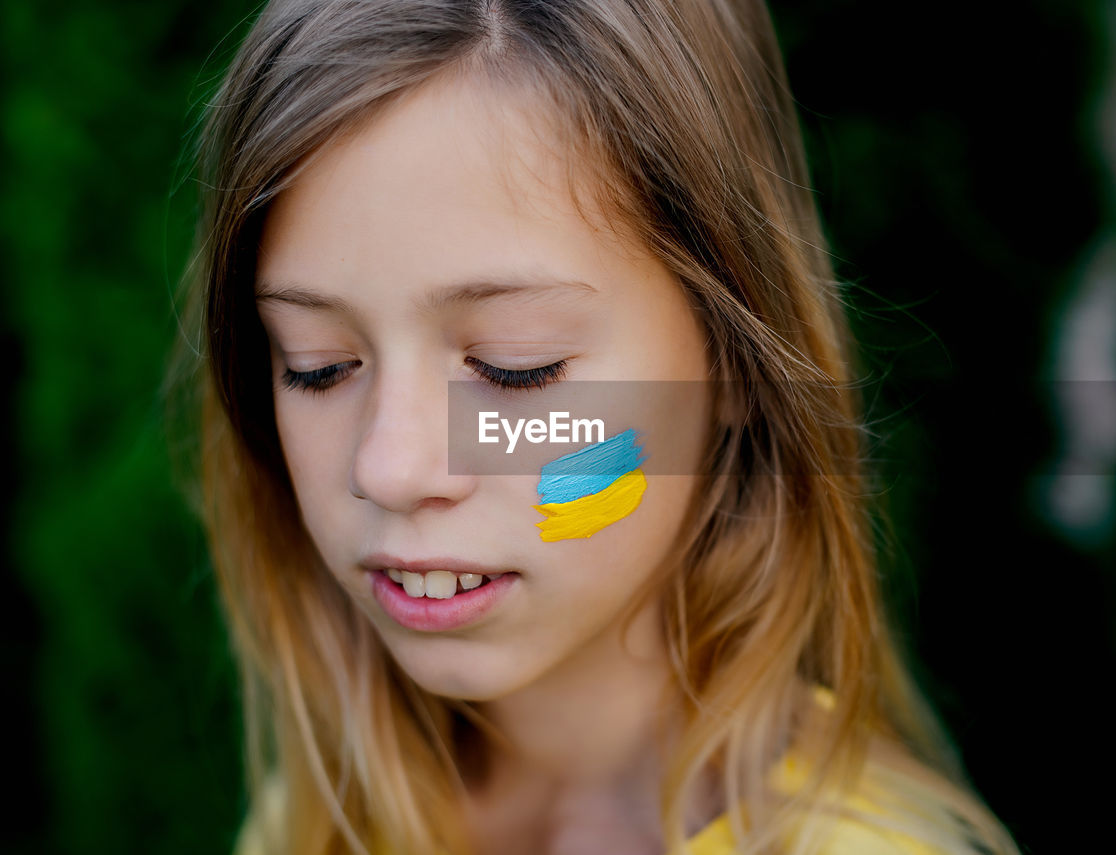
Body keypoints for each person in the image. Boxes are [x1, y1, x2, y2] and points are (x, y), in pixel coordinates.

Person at [178, 1, 1020, 853]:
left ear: (732, 359)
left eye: (516, 365)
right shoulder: (314, 826)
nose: (391, 467)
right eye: (316, 362)